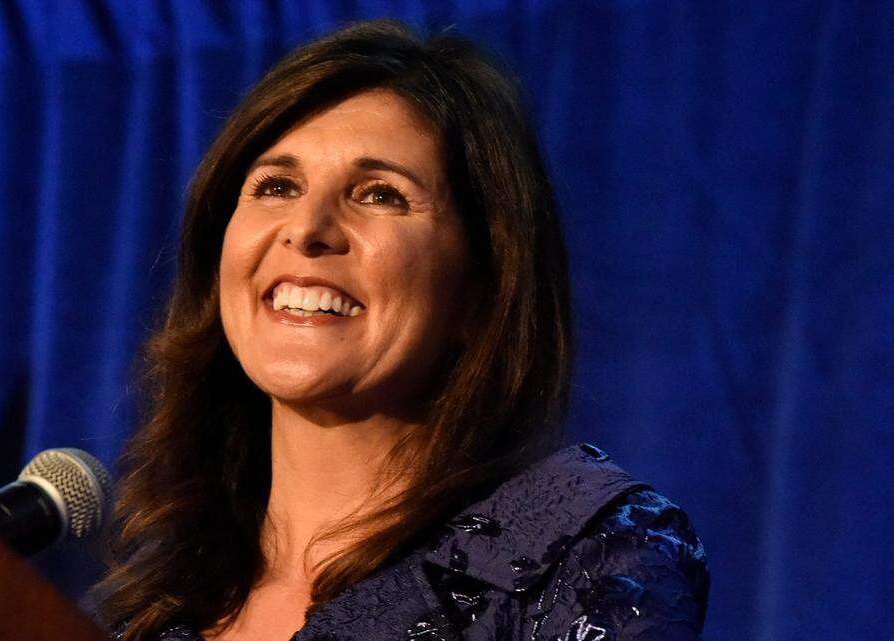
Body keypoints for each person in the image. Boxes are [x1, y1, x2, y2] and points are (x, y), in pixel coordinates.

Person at [94, 19, 709, 641]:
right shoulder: (150, 609)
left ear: (481, 288)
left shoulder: (584, 554)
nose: (307, 230)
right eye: (277, 186)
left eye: (379, 195)